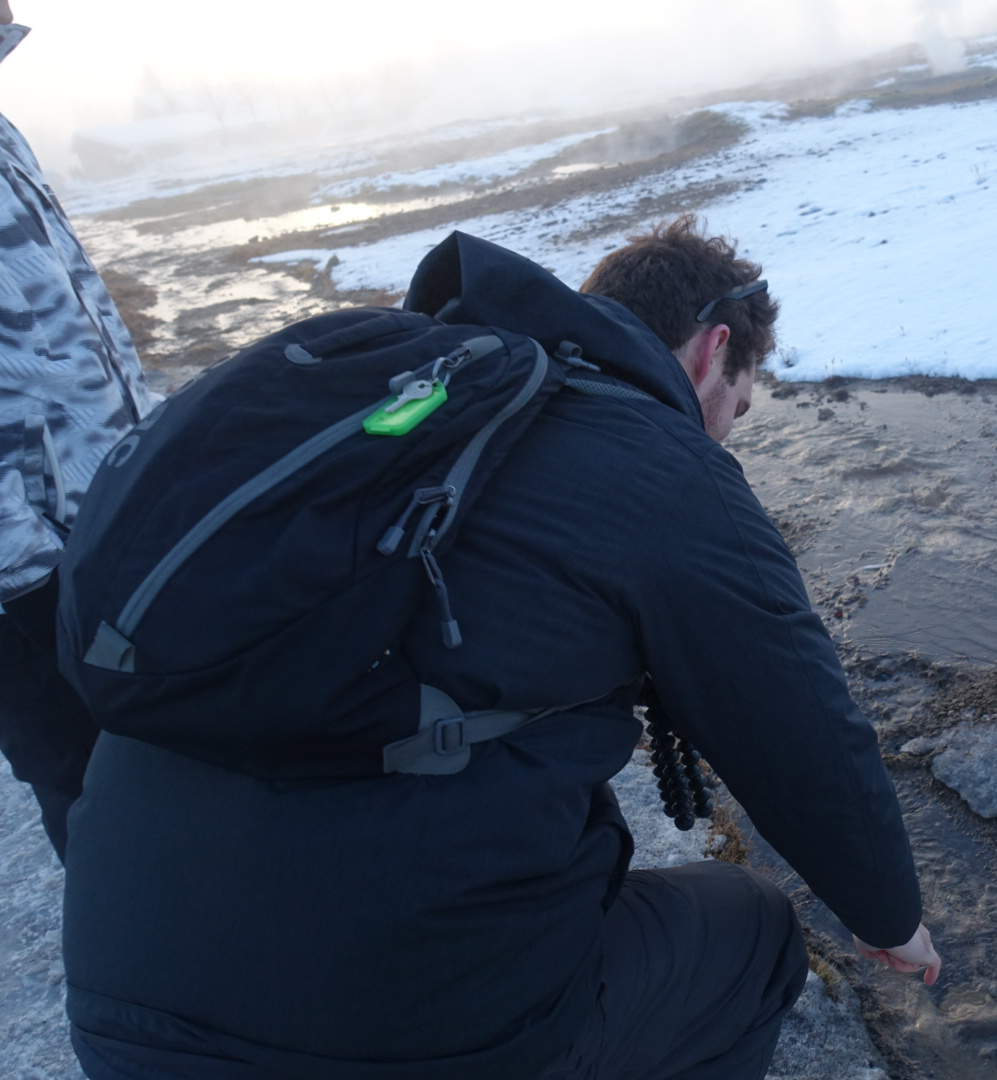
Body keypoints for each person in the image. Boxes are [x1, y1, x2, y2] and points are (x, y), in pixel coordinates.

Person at [62, 217, 941, 1080]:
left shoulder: (398, 406)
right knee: (753, 935)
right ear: (714, 351)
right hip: (397, 1038)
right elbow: (803, 735)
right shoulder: (666, 468)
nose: (725, 431)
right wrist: (889, 917)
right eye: (737, 407)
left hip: (119, 1007)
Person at [0, 2, 158, 863]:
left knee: (161, 766)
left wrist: (147, 447)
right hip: (25, 576)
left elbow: (76, 311)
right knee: (89, 786)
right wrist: (27, 579)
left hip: (103, 521)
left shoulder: (2, 132)